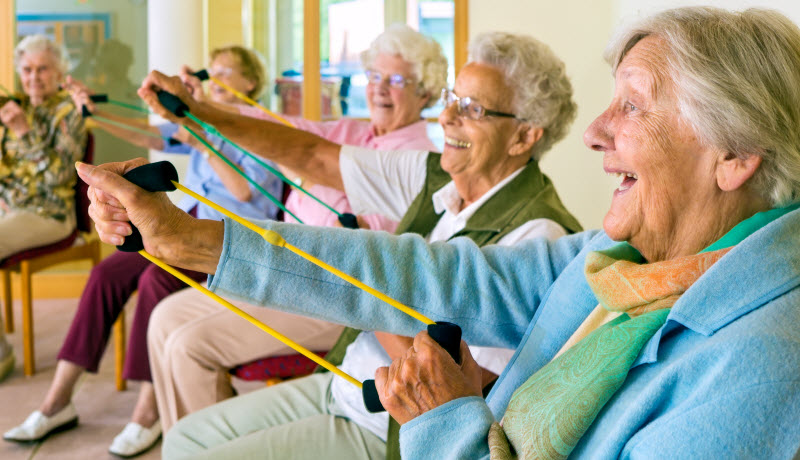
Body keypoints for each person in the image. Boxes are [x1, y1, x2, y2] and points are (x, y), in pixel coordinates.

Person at [80, 6, 800, 458]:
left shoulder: (761, 367)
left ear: (734, 155)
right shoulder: (618, 260)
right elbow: (425, 272)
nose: (598, 134)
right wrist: (190, 240)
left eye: (633, 108)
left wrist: (453, 418)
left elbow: (451, 367)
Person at [97, 27, 580, 458]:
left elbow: (465, 388)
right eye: (454, 98)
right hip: (347, 378)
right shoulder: (435, 176)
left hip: (387, 423)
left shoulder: (540, 235)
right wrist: (199, 112)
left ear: (523, 137)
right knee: (183, 441)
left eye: (472, 109)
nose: (448, 118)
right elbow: (309, 151)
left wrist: (363, 288)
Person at [147, 24, 447, 433]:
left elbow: (374, 243)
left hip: (335, 296)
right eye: (374, 76)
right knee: (163, 319)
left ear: (425, 92)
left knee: (187, 346)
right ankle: (190, 443)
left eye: (395, 81)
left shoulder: (419, 157)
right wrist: (199, 107)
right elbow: (285, 134)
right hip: (281, 271)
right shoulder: (352, 132)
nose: (379, 89)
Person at [3, 46, 282, 458]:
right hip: (190, 225)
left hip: (232, 241)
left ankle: (147, 411)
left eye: (227, 71)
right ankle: (56, 401)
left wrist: (202, 139)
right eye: (213, 71)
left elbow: (244, 192)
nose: (215, 77)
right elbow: (148, 135)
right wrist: (93, 113)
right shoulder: (206, 121)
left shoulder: (263, 129)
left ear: (250, 82)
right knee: (106, 274)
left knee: (156, 280)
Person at [0, 35, 87, 383]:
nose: (34, 76)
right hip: (11, 210)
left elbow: (59, 176)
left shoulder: (69, 112)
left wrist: (23, 131)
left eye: (43, 69)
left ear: (59, 71)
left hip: (50, 214)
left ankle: (1, 357)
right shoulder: (16, 104)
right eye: (27, 69)